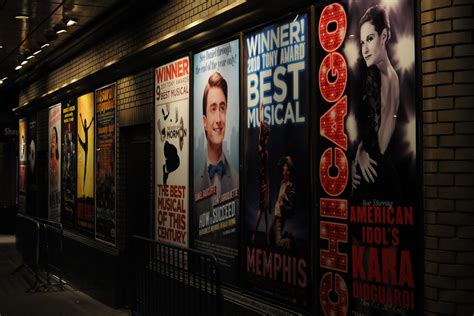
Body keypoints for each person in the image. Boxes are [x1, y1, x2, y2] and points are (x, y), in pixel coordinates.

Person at [352, 5, 401, 203]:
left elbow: (380, 145)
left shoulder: (387, 78)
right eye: (362, 42)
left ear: (384, 36)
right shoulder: (382, 75)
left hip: (376, 173)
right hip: (374, 170)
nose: (364, 49)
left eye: (370, 39)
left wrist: (361, 157)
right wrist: (358, 154)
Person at [194, 72, 238, 204]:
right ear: (204, 122)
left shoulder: (238, 181)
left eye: (222, 108)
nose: (219, 119)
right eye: (213, 109)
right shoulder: (194, 186)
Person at [252, 102, 270, 244]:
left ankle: (266, 236)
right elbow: (259, 126)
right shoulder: (262, 147)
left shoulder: (264, 147)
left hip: (266, 180)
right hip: (264, 181)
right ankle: (255, 233)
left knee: (264, 209)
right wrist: (260, 110)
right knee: (262, 208)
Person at [273, 156, 296, 250]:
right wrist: (283, 159)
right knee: (271, 238)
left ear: (289, 172)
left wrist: (282, 205)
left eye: (285, 166)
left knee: (277, 243)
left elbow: (292, 206)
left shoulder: (290, 187)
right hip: (276, 216)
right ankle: (286, 236)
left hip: (280, 218)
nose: (283, 167)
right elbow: (278, 166)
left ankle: (290, 241)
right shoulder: (283, 182)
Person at [78, 113, 94, 191]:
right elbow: (81, 123)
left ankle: (84, 186)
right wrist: (81, 117)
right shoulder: (85, 128)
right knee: (79, 140)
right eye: (84, 123)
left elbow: (89, 124)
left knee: (86, 165)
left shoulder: (86, 128)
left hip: (86, 145)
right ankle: (84, 186)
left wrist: (92, 120)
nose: (84, 124)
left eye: (85, 123)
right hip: (84, 144)